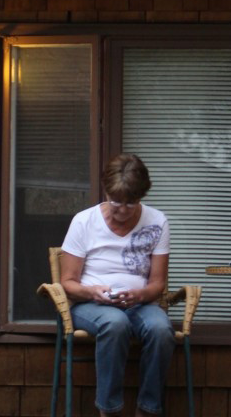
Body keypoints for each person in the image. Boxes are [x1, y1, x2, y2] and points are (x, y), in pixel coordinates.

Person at [60, 153, 175, 417]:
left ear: (141, 196)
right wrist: (93, 292)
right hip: (90, 303)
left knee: (161, 330)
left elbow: (158, 283)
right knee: (115, 323)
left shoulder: (158, 221)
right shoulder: (84, 221)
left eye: (131, 203)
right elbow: (67, 282)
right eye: (116, 201)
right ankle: (109, 411)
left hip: (139, 303)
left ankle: (148, 409)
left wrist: (140, 294)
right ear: (106, 190)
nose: (122, 209)